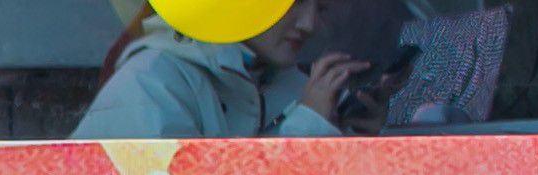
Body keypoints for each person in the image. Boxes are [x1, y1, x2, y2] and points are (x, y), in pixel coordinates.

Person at [72, 0, 395, 137]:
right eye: (293, 4)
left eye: (320, 7)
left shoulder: (289, 87)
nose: (309, 24)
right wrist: (308, 129)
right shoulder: (150, 85)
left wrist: (348, 134)